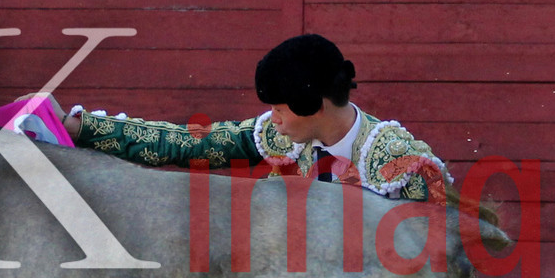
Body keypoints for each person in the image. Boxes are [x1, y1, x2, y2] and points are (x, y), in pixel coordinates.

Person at [57, 33, 447, 202]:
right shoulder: (279, 136)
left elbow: (442, 261)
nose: (272, 118)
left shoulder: (402, 162)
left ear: (312, 104)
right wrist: (80, 127)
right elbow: (185, 144)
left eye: (279, 108)